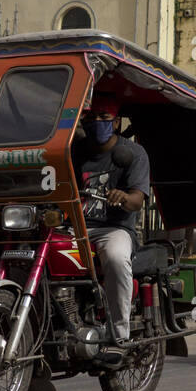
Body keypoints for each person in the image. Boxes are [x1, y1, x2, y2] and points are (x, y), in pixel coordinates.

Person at [73, 95, 151, 345]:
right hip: (74, 228)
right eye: (91, 117)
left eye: (104, 118)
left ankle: (120, 334)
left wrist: (123, 196)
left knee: (117, 258)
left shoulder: (133, 153)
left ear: (116, 122)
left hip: (113, 228)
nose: (97, 122)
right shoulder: (73, 152)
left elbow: (138, 200)